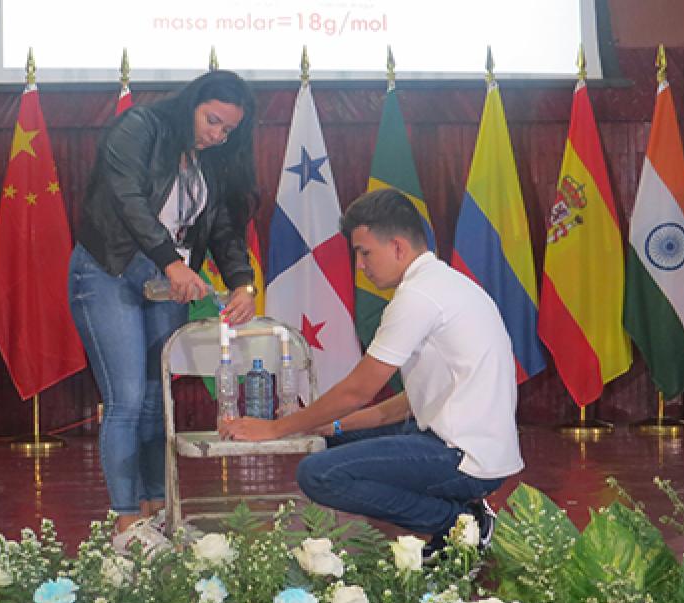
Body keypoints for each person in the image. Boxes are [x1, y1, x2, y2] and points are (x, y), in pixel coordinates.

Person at [220, 188, 522, 551]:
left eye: (364, 253)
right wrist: (321, 424)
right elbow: (396, 407)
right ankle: (461, 519)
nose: (360, 266)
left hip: (463, 458)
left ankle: (459, 523)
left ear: (397, 247)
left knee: (318, 474)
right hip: (470, 447)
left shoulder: (418, 296)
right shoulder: (445, 284)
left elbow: (358, 391)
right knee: (326, 437)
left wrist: (276, 429)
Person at [70, 70, 261, 553]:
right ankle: (126, 524)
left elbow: (222, 228)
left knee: (159, 403)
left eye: (227, 130)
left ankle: (160, 514)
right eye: (213, 121)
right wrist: (172, 262)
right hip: (109, 270)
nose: (217, 135)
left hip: (165, 280)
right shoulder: (141, 126)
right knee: (128, 400)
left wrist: (243, 281)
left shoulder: (211, 161)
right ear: (191, 102)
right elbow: (127, 200)